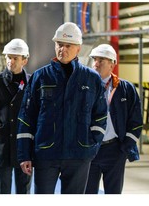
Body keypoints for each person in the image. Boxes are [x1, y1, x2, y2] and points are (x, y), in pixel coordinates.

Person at [16, 22, 108, 194]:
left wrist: (91, 145)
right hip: (45, 154)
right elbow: (26, 117)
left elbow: (101, 116)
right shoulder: (40, 77)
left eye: (68, 45)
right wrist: (24, 154)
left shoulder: (91, 79)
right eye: (59, 44)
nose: (62, 49)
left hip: (79, 155)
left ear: (78, 48)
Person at [85, 44, 143, 194]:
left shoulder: (125, 89)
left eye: (101, 60)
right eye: (94, 60)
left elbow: (136, 120)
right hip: (90, 149)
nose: (96, 64)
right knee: (87, 194)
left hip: (115, 150)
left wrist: (125, 146)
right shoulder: (85, 88)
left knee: (114, 193)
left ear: (112, 64)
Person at [0, 38, 32, 194]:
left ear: (25, 60)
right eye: (9, 57)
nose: (11, 61)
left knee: (24, 191)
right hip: (2, 146)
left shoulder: (32, 82)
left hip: (24, 146)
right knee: (2, 192)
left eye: (15, 58)